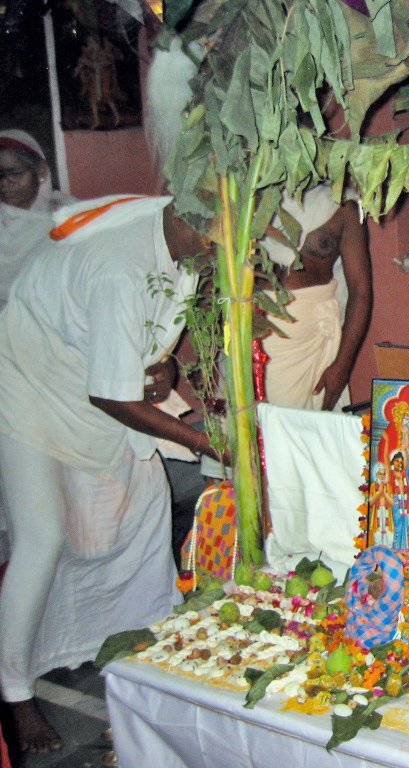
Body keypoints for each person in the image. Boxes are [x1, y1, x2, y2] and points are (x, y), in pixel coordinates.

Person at [0, 195, 218, 754]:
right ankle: (15, 695)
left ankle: (146, 657)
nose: (223, 247)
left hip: (87, 385)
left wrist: (163, 366)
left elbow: (152, 347)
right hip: (27, 390)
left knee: (146, 514)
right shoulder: (123, 266)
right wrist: (198, 440)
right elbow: (108, 392)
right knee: (42, 537)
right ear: (188, 214)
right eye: (217, 231)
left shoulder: (179, 244)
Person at [259, 183, 372, 411]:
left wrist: (342, 366)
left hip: (309, 336)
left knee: (303, 428)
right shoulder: (252, 196)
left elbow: (361, 291)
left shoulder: (344, 207)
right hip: (255, 325)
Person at [0, 130, 73, 312]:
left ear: (40, 171)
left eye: (14, 173)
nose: (5, 183)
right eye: (0, 175)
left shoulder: (66, 217)